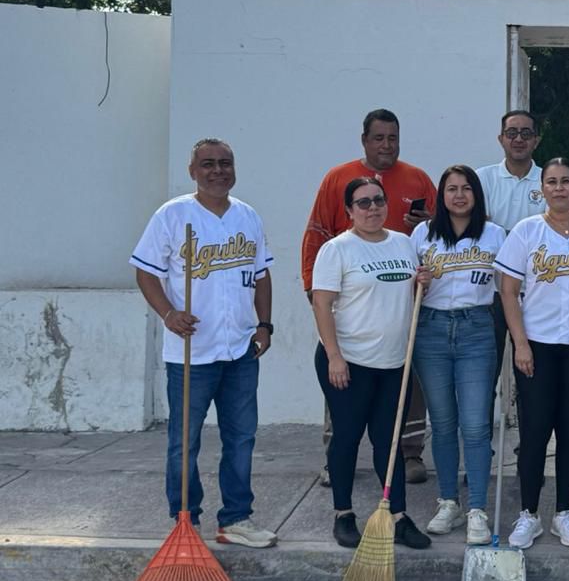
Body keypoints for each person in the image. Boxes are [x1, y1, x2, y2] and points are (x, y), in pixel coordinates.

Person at [130, 138, 278, 548]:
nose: (218, 171)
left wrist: (265, 325)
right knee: (185, 442)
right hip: (191, 353)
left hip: (240, 349)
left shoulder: (247, 216)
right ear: (192, 171)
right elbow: (145, 272)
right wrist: (168, 313)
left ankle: (236, 519)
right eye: (208, 164)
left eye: (225, 163)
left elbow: (261, 275)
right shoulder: (173, 215)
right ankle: (185, 521)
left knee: (241, 438)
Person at [302, 109, 435, 485]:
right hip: (352, 300)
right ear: (364, 140)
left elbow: (439, 231)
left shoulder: (417, 178)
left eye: (393, 138)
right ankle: (336, 459)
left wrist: (425, 223)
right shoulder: (337, 178)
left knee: (405, 386)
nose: (386, 145)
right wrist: (313, 287)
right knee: (341, 383)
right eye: (379, 138)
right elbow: (317, 231)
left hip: (398, 304)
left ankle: (409, 453)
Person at [496, 158, 569, 549]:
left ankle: (563, 512)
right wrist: (520, 343)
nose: (559, 188)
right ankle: (528, 514)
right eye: (552, 182)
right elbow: (508, 292)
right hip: (538, 345)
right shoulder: (526, 231)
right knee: (534, 430)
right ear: (542, 189)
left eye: (566, 181)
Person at [311, 177, 432, 550]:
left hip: (394, 363)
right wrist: (335, 356)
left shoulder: (403, 243)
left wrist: (422, 281)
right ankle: (343, 513)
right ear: (349, 210)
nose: (373, 208)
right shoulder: (337, 250)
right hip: (349, 361)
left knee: (389, 441)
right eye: (363, 203)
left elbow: (409, 292)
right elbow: (322, 304)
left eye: (378, 200)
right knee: (347, 437)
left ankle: (397, 514)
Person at [410, 165, 506, 545]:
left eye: (467, 188)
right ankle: (448, 502)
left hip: (477, 329)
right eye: (452, 189)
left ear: (477, 194)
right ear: (442, 195)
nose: (460, 195)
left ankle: (478, 508)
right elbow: (407, 287)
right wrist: (417, 282)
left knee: (476, 424)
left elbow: (510, 287)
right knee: (443, 422)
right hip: (431, 330)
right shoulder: (422, 234)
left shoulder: (495, 235)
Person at [476, 110, 546, 424]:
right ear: (501, 138)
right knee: (484, 377)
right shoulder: (482, 179)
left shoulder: (548, 180)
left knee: (531, 378)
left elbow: (547, 236)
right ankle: (481, 446)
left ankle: (528, 447)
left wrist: (501, 233)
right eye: (512, 133)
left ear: (536, 140)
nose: (519, 139)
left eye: (526, 133)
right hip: (489, 293)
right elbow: (477, 231)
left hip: (533, 295)